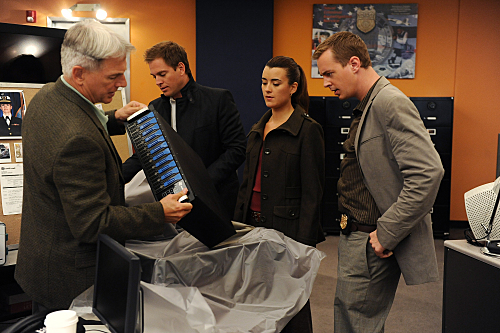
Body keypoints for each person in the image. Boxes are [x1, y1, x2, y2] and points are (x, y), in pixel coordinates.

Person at [15, 19, 193, 311]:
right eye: (115, 76)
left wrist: (113, 117)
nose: (122, 83)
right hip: (72, 280)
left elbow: (74, 122)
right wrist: (160, 213)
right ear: (79, 73)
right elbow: (93, 223)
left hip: (42, 263)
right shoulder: (77, 141)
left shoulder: (48, 96)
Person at [312, 31, 444, 332]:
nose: (326, 82)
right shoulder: (369, 104)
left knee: (355, 324)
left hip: (372, 241)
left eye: (329, 73)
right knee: (353, 320)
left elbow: (428, 174)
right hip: (357, 236)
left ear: (354, 63)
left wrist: (387, 232)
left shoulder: (389, 102)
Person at [234, 56, 325, 333]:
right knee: (253, 297)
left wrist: (305, 247)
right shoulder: (257, 129)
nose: (268, 89)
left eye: (276, 83)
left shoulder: (308, 130)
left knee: (291, 302)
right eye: (264, 83)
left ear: (293, 87)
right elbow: (246, 183)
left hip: (287, 230)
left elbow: (313, 192)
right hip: (251, 224)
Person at [122, 41, 246, 217]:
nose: (158, 82)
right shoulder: (155, 108)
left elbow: (237, 149)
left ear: (181, 68)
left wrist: (201, 183)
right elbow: (145, 155)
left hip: (216, 201)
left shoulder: (218, 100)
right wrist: (114, 177)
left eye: (162, 74)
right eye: (154, 76)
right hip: (173, 205)